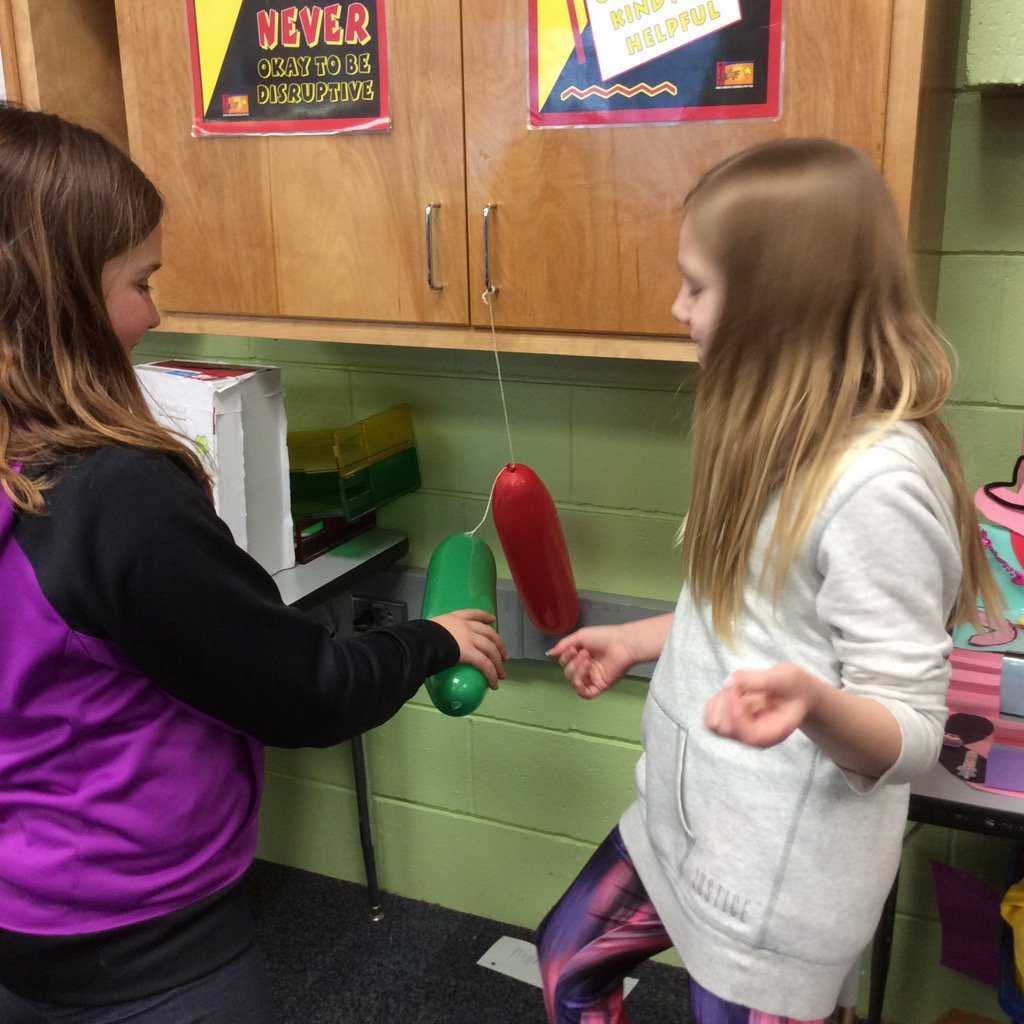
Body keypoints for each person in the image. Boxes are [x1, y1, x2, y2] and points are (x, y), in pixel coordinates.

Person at [0, 103, 507, 1024]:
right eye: (139, 282)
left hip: (23, 915)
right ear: (58, 296)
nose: (154, 314)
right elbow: (302, 690)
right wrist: (433, 641)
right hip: (145, 944)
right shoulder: (117, 496)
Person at [539, 138, 1004, 1024]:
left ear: (775, 303)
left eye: (697, 286)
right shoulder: (771, 433)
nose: (676, 308)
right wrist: (639, 640)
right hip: (682, 825)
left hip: (777, 889)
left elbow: (910, 733)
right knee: (570, 966)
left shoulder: (879, 486)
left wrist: (815, 706)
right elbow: (749, 625)